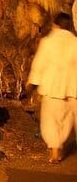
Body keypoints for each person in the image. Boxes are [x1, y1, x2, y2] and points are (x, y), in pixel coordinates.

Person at [26, 12, 77, 163]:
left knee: (50, 120)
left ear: (56, 25)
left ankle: (55, 151)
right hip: (72, 88)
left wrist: (32, 81)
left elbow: (39, 63)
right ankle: (61, 145)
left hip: (52, 87)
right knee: (67, 119)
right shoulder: (75, 42)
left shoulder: (47, 42)